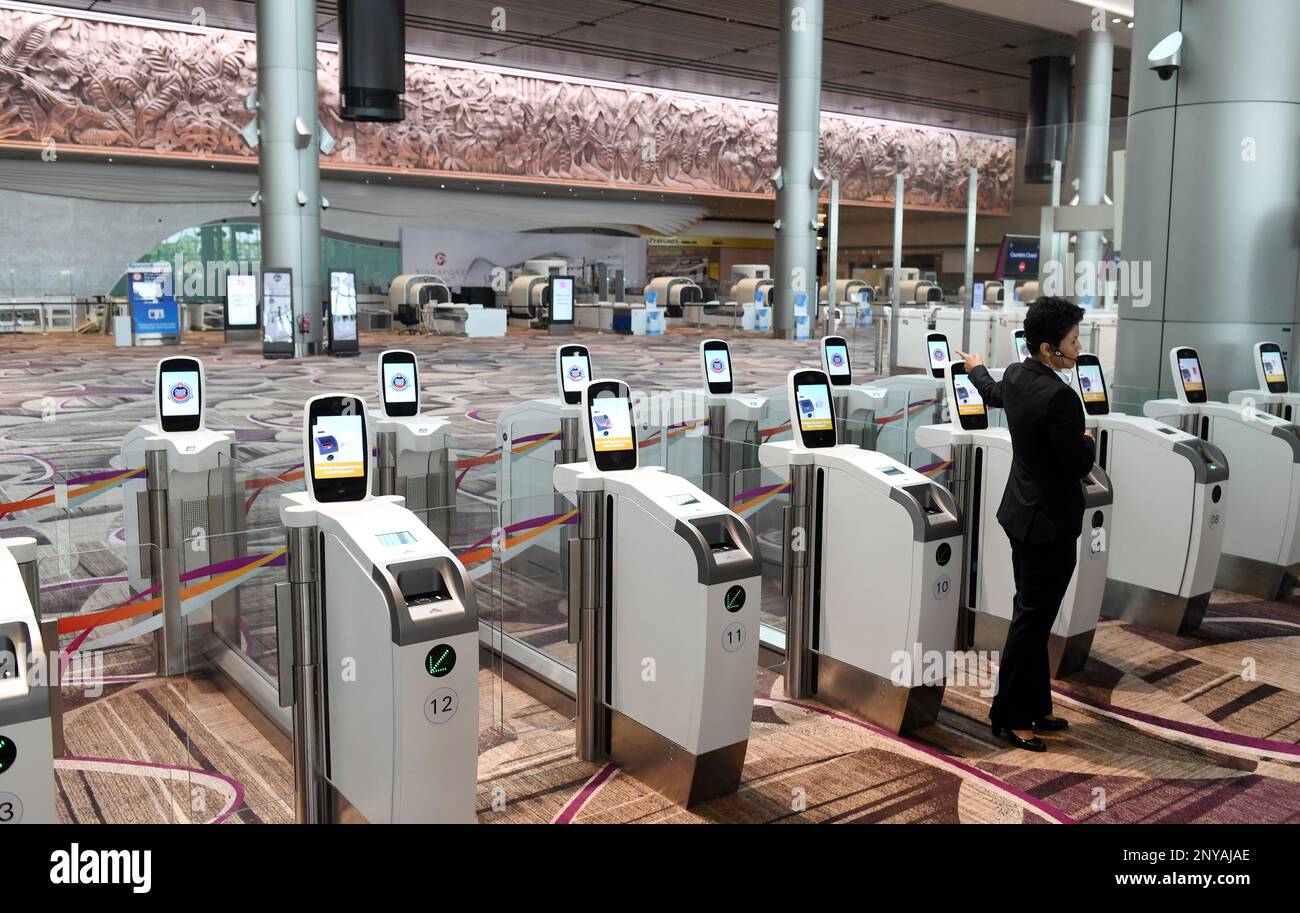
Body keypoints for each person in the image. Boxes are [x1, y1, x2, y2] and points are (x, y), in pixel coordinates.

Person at [955, 297, 1096, 752]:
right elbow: (1076, 464)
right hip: (1049, 526)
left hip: (1021, 516)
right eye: (1073, 340)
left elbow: (992, 392)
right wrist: (1088, 442)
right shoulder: (1061, 397)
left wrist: (975, 367)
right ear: (1048, 347)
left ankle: (1035, 705)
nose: (1079, 347)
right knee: (1032, 621)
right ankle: (1011, 715)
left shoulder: (1018, 375)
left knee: (1033, 615)